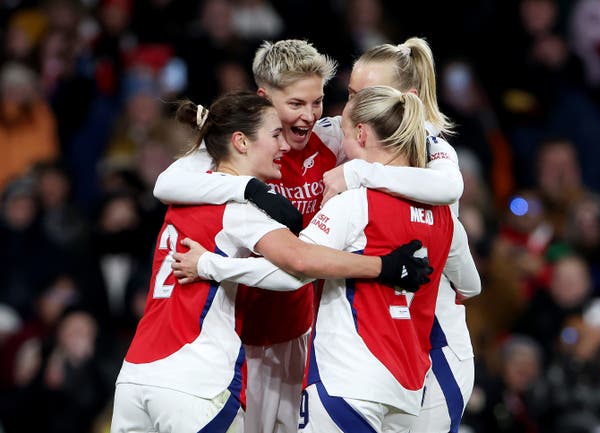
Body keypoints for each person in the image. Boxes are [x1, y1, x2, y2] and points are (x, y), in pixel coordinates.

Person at [111, 91, 430, 433]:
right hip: (195, 382)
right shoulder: (240, 212)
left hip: (135, 377)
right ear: (241, 142)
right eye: (275, 135)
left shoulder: (185, 194)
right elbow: (299, 262)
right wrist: (384, 266)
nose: (284, 147)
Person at [172, 86, 481, 432]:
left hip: (346, 382)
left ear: (361, 134)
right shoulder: (446, 220)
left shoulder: (354, 204)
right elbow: (469, 287)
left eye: (344, 134)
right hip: (407, 391)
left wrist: (209, 264)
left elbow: (294, 269)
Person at [321, 37, 479, 433]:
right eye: (352, 94)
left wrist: (358, 173)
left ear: (406, 98)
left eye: (368, 95)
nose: (353, 106)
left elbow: (449, 189)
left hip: (433, 343)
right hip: (375, 348)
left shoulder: (431, 146)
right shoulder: (351, 132)